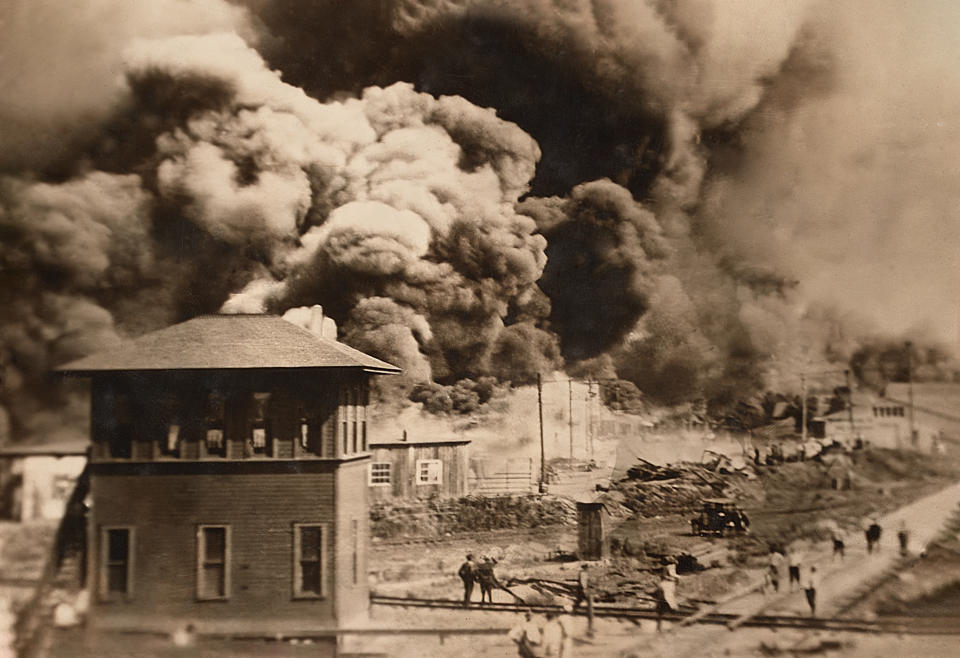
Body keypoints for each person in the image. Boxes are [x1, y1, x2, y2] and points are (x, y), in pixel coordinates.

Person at [655, 567, 678, 632]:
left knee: (661, 613)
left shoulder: (664, 583)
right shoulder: (667, 582)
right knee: (671, 610)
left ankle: (661, 628)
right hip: (666, 596)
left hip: (664, 596)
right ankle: (661, 628)